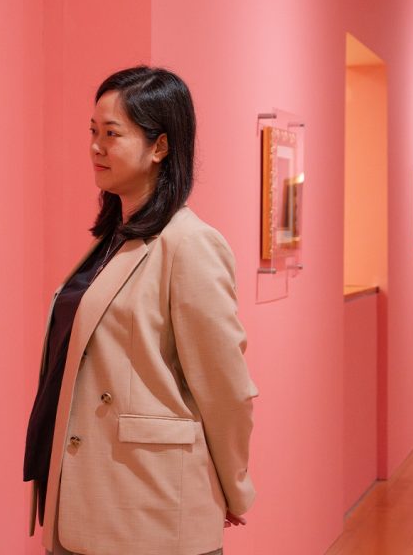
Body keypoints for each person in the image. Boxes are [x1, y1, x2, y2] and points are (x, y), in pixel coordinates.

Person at [24, 67, 258, 555]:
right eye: (92, 132)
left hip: (148, 508)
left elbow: (225, 387)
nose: (95, 147)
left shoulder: (190, 244)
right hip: (89, 493)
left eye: (112, 134)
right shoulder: (117, 241)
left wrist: (234, 485)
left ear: (160, 147)